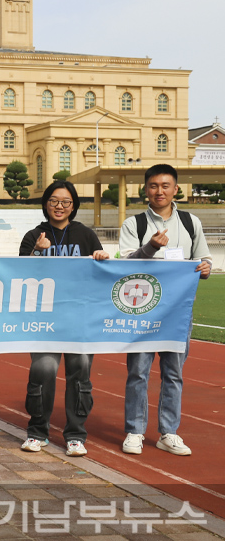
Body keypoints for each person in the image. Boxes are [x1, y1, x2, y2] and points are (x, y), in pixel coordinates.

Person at [118, 164, 212, 457]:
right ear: (145, 189)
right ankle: (135, 431)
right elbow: (125, 265)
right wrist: (149, 248)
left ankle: (168, 433)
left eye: (166, 185)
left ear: (176, 189)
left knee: (173, 374)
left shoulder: (190, 221)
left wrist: (206, 266)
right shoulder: (134, 224)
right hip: (143, 311)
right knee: (138, 373)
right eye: (154, 186)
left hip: (178, 312)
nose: (160, 191)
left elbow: (203, 257)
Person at [17, 180, 109, 457]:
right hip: (44, 317)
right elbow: (21, 275)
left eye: (66, 202)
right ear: (45, 204)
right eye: (54, 201)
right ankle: (37, 431)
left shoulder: (86, 234)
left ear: (73, 205)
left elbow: (101, 272)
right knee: (43, 370)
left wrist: (102, 257)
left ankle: (75, 435)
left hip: (80, 317)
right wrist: (37, 252)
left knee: (80, 372)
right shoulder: (34, 235)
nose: (59, 206)